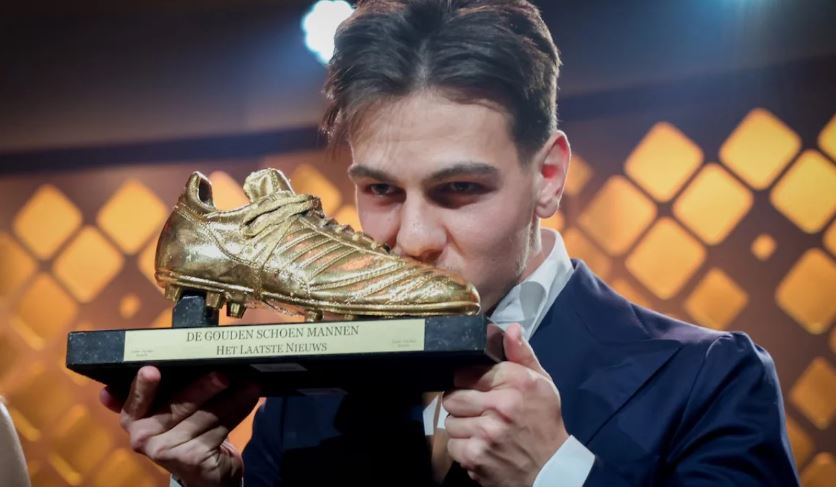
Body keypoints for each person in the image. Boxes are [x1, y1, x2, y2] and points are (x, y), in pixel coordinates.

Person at [100, 0, 799, 485]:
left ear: (548, 176)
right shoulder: (308, 390)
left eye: (459, 189)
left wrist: (555, 476)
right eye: (381, 190)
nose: (412, 239)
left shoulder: (709, 379)